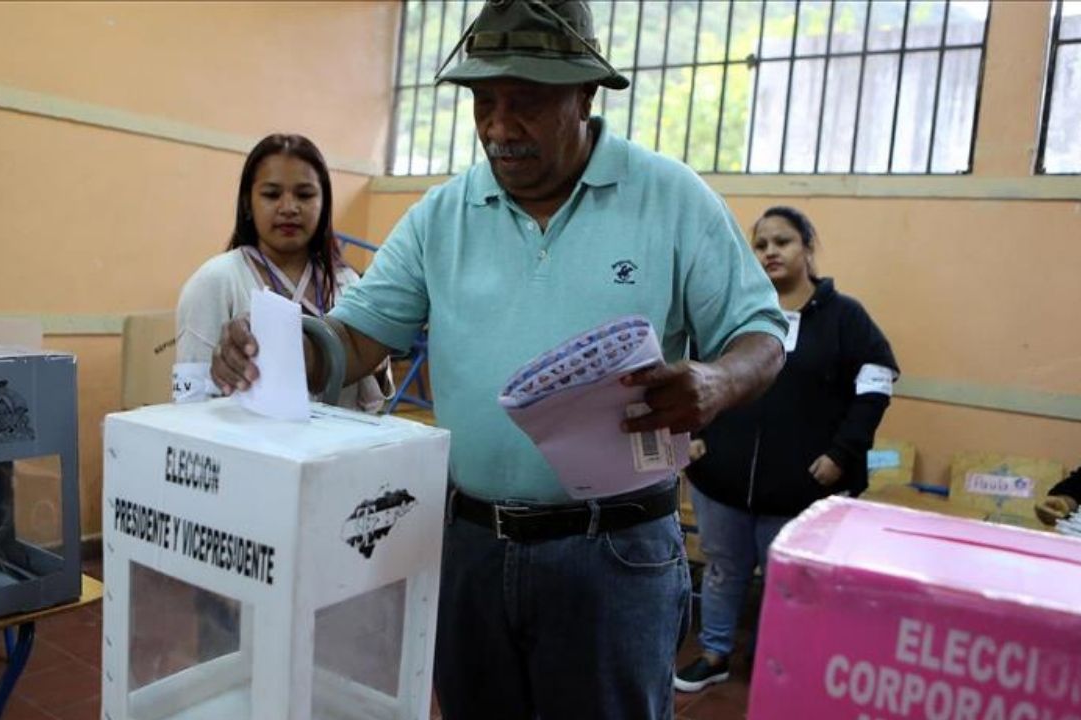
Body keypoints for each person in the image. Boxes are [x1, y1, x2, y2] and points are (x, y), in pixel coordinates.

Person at [212, 2, 786, 717]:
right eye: (485, 104)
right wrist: (282, 347)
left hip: (615, 553)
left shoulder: (671, 199)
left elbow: (761, 333)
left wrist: (716, 379)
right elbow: (357, 337)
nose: (499, 128)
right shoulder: (443, 215)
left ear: (585, 94)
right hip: (473, 546)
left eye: (528, 103)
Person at [675, 206, 899, 693]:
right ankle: (713, 654)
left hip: (803, 484)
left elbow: (878, 383)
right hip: (723, 478)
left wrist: (843, 453)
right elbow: (693, 374)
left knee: (792, 583)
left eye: (784, 241)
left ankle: (775, 663)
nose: (771, 251)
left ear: (808, 249)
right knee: (722, 570)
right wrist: (688, 436)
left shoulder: (845, 317)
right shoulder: (735, 312)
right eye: (761, 244)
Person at [175, 133, 391, 411]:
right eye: (271, 194)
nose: (289, 208)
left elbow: (371, 404)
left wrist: (372, 358)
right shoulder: (215, 282)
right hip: (249, 452)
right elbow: (190, 404)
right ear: (247, 204)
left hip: (334, 450)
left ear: (324, 204)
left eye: (304, 194)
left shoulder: (347, 283)